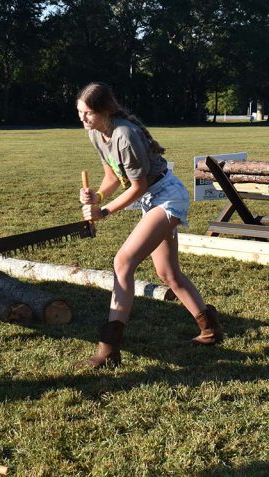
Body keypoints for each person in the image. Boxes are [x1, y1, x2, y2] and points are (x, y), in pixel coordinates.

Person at [74, 82, 223, 369]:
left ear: (105, 110)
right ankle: (211, 329)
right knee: (168, 273)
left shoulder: (125, 135)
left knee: (123, 262)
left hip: (166, 197)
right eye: (79, 113)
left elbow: (139, 187)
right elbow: (114, 177)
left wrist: (104, 211)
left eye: (88, 113)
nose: (83, 119)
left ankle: (109, 349)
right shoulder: (97, 133)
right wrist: (99, 195)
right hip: (151, 199)